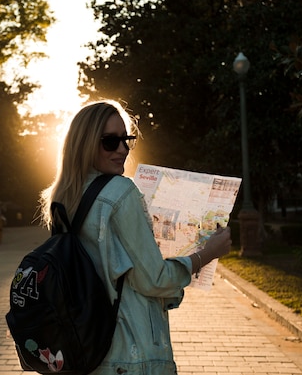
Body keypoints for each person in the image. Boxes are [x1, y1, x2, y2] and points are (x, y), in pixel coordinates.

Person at [38, 100, 232, 375]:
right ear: (85, 144)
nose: (122, 150)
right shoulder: (120, 192)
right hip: (131, 353)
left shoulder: (64, 198)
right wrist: (207, 253)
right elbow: (155, 279)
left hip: (87, 352)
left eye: (126, 140)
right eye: (110, 142)